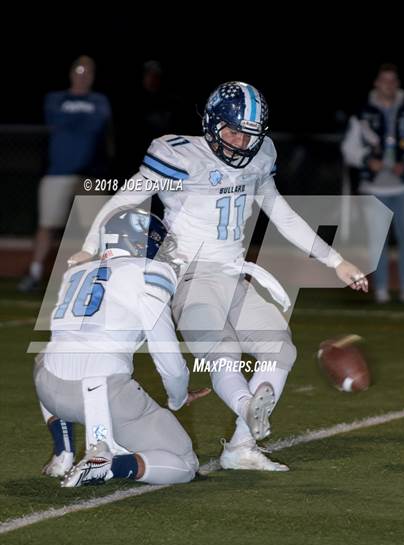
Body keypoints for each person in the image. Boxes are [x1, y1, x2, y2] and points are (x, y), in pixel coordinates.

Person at [68, 81, 368, 472]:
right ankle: (247, 406)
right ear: (212, 123)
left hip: (233, 275)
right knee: (221, 353)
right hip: (190, 277)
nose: (241, 143)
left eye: (249, 135)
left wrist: (335, 260)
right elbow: (127, 196)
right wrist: (90, 246)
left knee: (280, 348)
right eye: (233, 132)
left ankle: (241, 446)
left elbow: (282, 214)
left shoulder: (261, 157)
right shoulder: (179, 155)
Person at [35, 208, 209, 487]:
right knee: (184, 462)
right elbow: (166, 353)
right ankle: (109, 466)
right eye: (159, 244)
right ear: (139, 244)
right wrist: (178, 397)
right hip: (102, 392)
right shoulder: (150, 271)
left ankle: (63, 452)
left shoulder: (77, 272)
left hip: (49, 387)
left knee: (48, 354)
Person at [19, 55, 113, 292]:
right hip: (58, 172)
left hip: (92, 174)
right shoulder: (55, 98)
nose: (83, 76)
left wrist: (74, 122)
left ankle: (95, 278)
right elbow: (57, 119)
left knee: (96, 228)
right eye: (79, 71)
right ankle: (34, 273)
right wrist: (82, 122)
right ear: (71, 73)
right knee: (47, 224)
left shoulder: (100, 100)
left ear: (93, 76)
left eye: (88, 72)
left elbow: (98, 123)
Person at [342, 63, 404, 304]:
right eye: (384, 80)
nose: (389, 85)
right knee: (377, 242)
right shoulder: (362, 113)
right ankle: (382, 288)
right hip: (374, 189)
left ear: (398, 83)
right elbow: (349, 149)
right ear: (376, 83)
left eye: (392, 80)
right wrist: (367, 160)